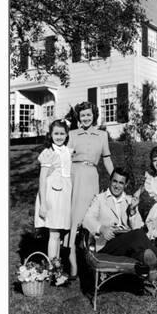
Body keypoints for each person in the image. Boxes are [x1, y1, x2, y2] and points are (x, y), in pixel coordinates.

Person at [83, 168, 157, 282]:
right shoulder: (100, 199)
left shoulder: (130, 200)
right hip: (107, 244)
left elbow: (138, 227)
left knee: (142, 248)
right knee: (137, 235)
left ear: (126, 184)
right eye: (115, 181)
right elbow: (87, 219)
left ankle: (151, 265)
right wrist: (102, 228)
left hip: (128, 243)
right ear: (110, 181)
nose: (117, 186)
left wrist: (133, 211)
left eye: (121, 183)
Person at [67, 101, 114, 278]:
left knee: (93, 218)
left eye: (88, 114)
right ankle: (73, 266)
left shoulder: (102, 135)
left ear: (94, 115)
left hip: (92, 177)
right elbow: (65, 159)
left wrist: (115, 177)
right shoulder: (72, 134)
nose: (85, 118)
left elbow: (107, 159)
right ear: (78, 117)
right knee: (74, 221)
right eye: (82, 115)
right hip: (75, 177)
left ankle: (95, 263)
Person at [34, 119, 72, 260]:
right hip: (52, 197)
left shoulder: (68, 151)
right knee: (54, 233)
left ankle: (56, 266)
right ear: (50, 135)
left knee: (58, 234)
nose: (59, 137)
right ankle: (53, 267)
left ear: (67, 134)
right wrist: (43, 204)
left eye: (62, 133)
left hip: (64, 196)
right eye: (56, 133)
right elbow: (42, 179)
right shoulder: (48, 153)